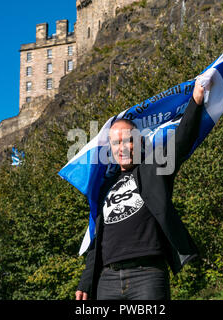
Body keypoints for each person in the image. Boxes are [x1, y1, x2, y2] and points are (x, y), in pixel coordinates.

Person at [75, 79, 205, 300]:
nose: (122, 147)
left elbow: (181, 141)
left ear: (140, 142)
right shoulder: (104, 185)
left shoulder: (153, 168)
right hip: (106, 280)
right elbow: (97, 240)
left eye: (128, 140)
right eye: (116, 143)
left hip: (147, 276)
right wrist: (86, 282)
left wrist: (196, 102)